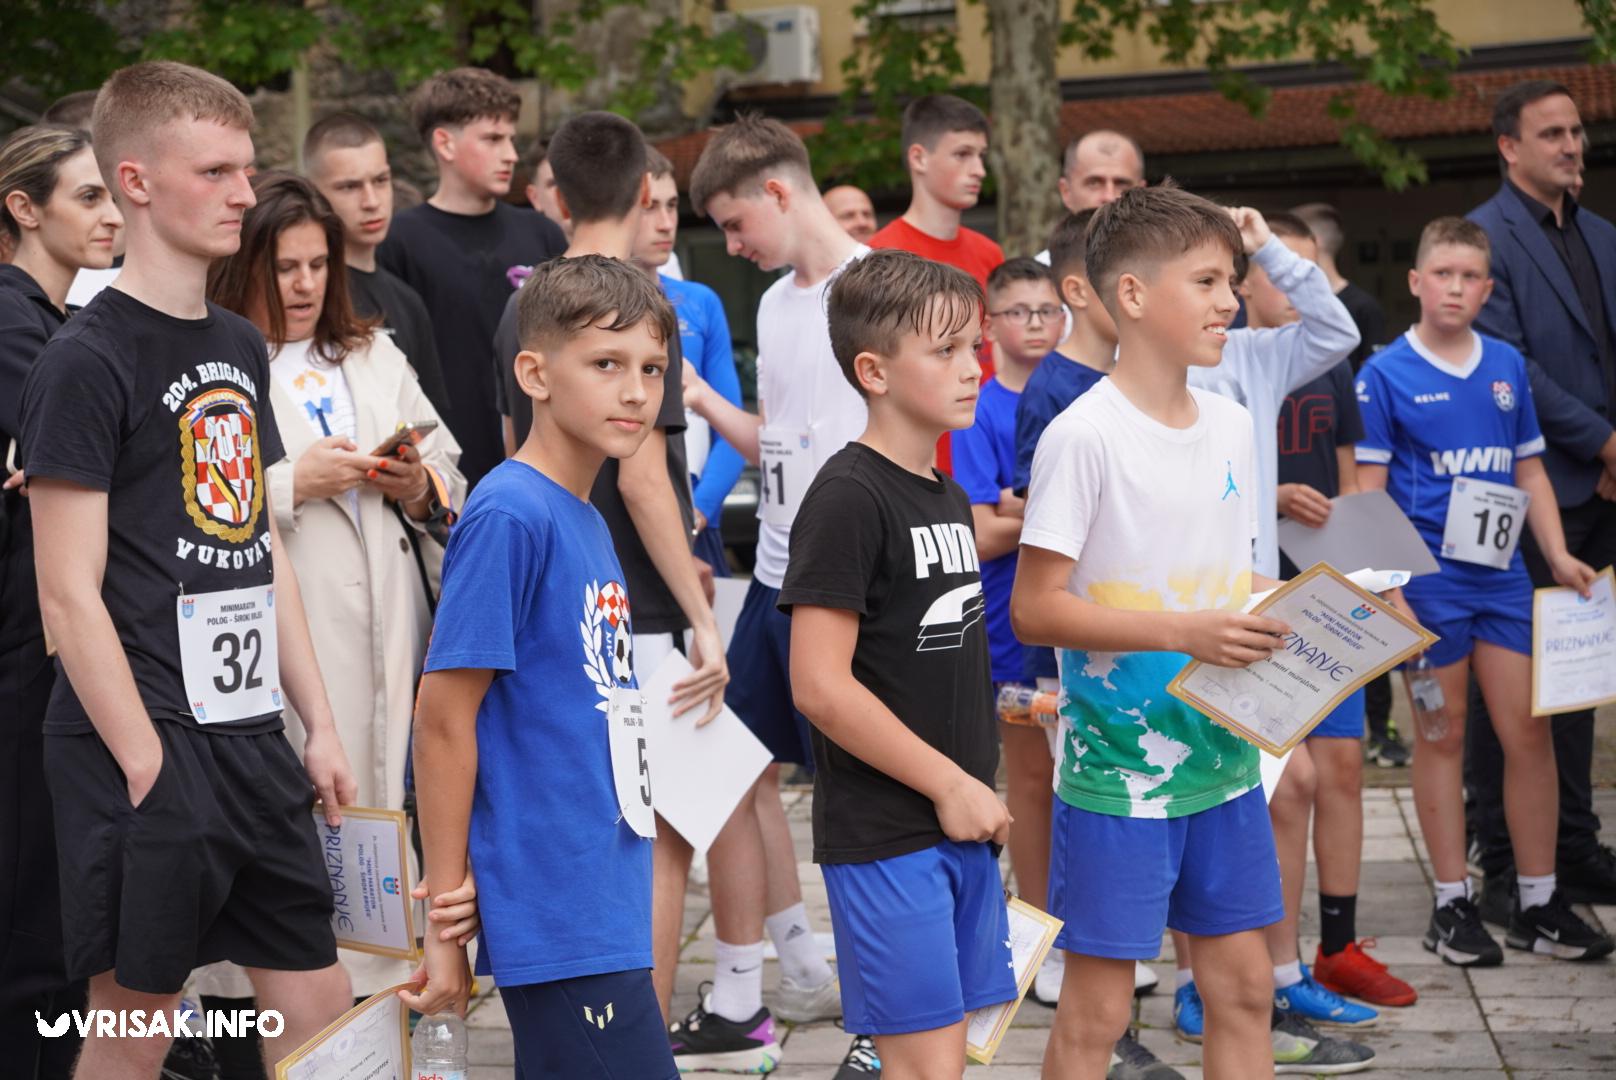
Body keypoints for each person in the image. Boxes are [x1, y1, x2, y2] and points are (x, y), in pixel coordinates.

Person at [18, 61, 360, 1078]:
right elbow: (65, 594)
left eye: (246, 170)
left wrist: (320, 723)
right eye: (214, 172)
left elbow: (253, 542)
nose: (244, 195)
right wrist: (143, 766)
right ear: (136, 181)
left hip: (252, 739)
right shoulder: (84, 359)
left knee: (325, 1011)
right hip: (146, 743)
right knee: (133, 1030)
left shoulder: (240, 345)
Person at [1012, 184, 1287, 1080]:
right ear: (1131, 295)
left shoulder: (1235, 425)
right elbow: (1035, 607)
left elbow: (1233, 579)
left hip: (1227, 759)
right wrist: (1184, 632)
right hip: (1117, 777)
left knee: (1246, 990)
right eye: (1207, 280)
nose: (1229, 301)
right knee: (1097, 1014)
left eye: (1234, 280)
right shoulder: (1081, 436)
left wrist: (1335, 613)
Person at [194, 171, 466, 1037]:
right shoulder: (220, 357)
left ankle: (376, 1008)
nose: (305, 284)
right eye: (284, 266)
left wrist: (419, 483)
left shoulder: (372, 353)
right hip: (289, 632)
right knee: (295, 816)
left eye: (318, 264)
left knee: (381, 804)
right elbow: (183, 496)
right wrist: (288, 484)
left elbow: (449, 466)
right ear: (245, 266)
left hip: (388, 628)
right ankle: (267, 1011)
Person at [407, 254, 684, 1078]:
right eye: (607, 364)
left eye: (653, 369)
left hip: (606, 893)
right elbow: (444, 716)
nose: (636, 391)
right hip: (557, 909)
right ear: (534, 372)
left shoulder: (585, 515)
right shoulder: (508, 514)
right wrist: (445, 925)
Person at [1354, 215, 1612, 967]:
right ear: (1416, 281)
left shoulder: (1505, 365)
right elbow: (1369, 493)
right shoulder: (1384, 375)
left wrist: (1559, 555)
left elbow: (1529, 469)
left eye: (1470, 277)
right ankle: (1451, 902)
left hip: (1502, 580)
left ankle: (1537, 901)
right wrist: (1391, 588)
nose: (1456, 288)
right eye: (1444, 274)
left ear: (1487, 288)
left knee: (1527, 733)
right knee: (1441, 734)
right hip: (1430, 589)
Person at [782, 248, 1014, 1078]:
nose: (973, 368)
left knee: (950, 1059)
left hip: (964, 827)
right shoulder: (848, 495)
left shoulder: (948, 496)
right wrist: (949, 784)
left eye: (974, 348)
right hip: (888, 836)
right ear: (874, 370)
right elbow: (818, 683)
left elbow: (934, 648)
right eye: (946, 351)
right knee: (923, 1067)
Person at [677, 113, 872, 1078]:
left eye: (735, 221)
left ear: (780, 193)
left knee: (856, 803)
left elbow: (887, 459)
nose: (734, 244)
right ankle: (769, 978)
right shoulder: (776, 304)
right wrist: (705, 402)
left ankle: (881, 1004)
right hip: (775, 575)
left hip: (851, 591)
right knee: (735, 773)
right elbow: (782, 448)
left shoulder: (872, 291)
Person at [1254, 214, 1412, 1019]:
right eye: (1278, 274)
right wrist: (1271, 496)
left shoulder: (1331, 369)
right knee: (1281, 785)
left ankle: (1338, 945)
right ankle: (1260, 964)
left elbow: (1352, 482)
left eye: (1306, 274)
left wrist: (1377, 578)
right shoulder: (1228, 369)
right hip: (1255, 597)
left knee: (1341, 769)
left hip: (1329, 597)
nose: (1292, 290)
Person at [1466, 79, 1616, 917]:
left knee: (1578, 673)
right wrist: (1601, 442)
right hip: (1534, 491)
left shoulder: (1600, 235)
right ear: (1510, 147)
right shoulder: (1486, 241)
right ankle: (1503, 861)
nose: (1571, 145)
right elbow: (1514, 372)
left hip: (1600, 488)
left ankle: (1574, 846)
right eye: (1551, 133)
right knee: (1512, 691)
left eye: (1577, 131)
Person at [0, 121, 121, 1080]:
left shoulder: (56, 323)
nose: (111, 215)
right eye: (87, 197)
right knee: (35, 903)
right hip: (23, 654)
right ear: (24, 209)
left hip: (42, 645)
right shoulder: (13, 322)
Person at [377, 67, 567, 488]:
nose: (511, 155)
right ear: (445, 143)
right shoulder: (400, 241)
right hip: (447, 469)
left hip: (546, 465)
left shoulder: (541, 233)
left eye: (512, 140)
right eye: (493, 139)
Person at [869, 94, 1003, 471]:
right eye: (962, 154)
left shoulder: (989, 253)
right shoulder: (879, 256)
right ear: (919, 158)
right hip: (913, 467)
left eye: (981, 155)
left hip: (983, 466)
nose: (978, 169)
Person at [631, 148, 744, 575]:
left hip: (697, 518)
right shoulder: (589, 303)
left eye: (672, 205)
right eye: (649, 207)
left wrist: (699, 512)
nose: (665, 223)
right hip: (621, 523)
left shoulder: (699, 302)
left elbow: (730, 424)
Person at [303, 111, 452, 419]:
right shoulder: (305, 294)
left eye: (381, 180)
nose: (371, 200)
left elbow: (432, 423)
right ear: (313, 192)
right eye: (349, 187)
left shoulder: (407, 301)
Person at [1034, 130, 1145, 263]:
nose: (1109, 197)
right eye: (1094, 183)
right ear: (1066, 191)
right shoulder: (1040, 277)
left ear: (1142, 192)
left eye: (1122, 184)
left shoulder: (1169, 274)